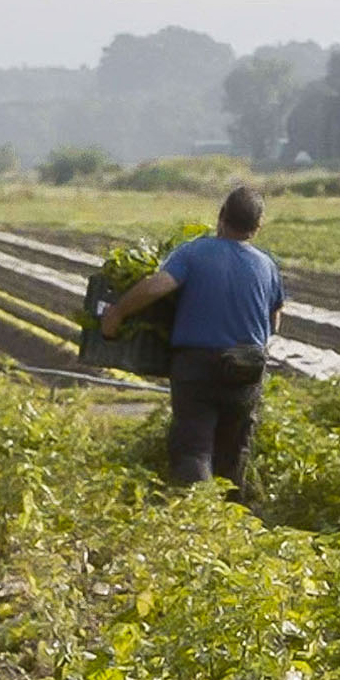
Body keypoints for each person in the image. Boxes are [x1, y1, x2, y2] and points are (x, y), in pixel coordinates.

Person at [101, 184, 284, 489]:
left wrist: (118, 313)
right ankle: (231, 523)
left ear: (221, 216)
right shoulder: (267, 266)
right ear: (257, 227)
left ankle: (197, 515)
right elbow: (275, 321)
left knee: (193, 449)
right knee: (234, 452)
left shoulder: (194, 252)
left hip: (197, 366)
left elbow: (158, 286)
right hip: (247, 368)